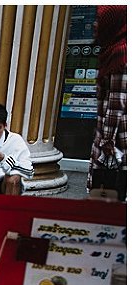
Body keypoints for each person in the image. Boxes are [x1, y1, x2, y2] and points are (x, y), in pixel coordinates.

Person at [89, 5, 127, 201]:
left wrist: (107, 142)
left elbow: (116, 102)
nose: (95, 25)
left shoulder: (120, 54)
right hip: (114, 138)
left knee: (108, 193)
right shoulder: (113, 49)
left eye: (100, 20)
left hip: (116, 141)